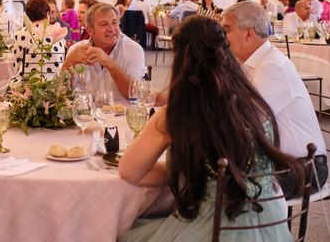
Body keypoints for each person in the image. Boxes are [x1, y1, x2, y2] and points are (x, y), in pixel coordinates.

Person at [118, 15, 302, 242]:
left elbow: (128, 170)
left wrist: (182, 172)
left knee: (120, 233)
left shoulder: (177, 113)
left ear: (179, 57)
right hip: (268, 223)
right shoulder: (254, 101)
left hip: (213, 227)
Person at [221, 1, 327, 194]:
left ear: (248, 33)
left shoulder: (272, 66)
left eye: (226, 30)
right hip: (279, 161)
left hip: (305, 166)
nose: (222, 38)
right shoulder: (249, 63)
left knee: (226, 189)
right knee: (212, 180)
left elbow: (246, 119)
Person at [63, 3, 145, 101]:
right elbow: (61, 93)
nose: (111, 29)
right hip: (86, 114)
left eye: (115, 23)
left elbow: (134, 95)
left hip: (121, 115)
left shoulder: (133, 50)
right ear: (90, 31)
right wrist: (69, 62)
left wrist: (110, 64)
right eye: (104, 24)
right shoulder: (76, 51)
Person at [11, 0, 67, 83]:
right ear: (48, 14)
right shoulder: (57, 32)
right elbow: (61, 62)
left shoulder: (20, 35)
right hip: (54, 85)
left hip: (27, 84)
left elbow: (16, 65)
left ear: (28, 15)